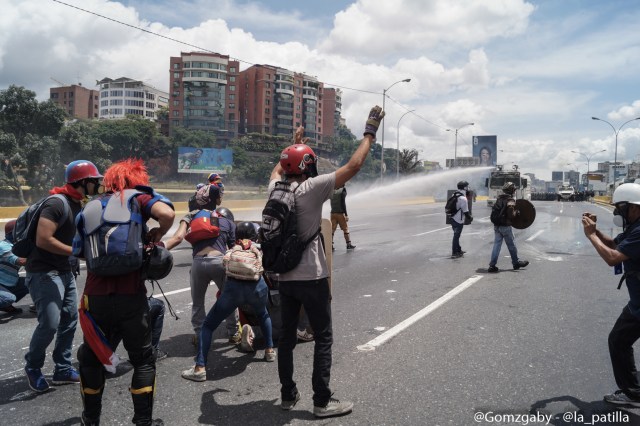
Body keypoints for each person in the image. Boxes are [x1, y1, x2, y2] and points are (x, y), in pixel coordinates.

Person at [272, 106, 385, 418]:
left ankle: (287, 395)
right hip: (312, 277)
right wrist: (370, 131)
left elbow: (277, 170)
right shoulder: (313, 187)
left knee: (286, 338)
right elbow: (355, 165)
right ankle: (321, 402)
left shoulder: (275, 188)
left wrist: (290, 145)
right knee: (323, 338)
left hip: (284, 278)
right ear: (309, 165)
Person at [76, 158, 175, 426]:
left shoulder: (88, 209)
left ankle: (91, 419)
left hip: (95, 296)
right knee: (142, 360)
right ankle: (143, 421)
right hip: (130, 295)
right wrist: (155, 233)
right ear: (136, 179)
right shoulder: (137, 198)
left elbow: (80, 252)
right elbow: (167, 214)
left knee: (91, 358)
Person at [24, 160, 103, 393]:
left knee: (69, 319)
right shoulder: (56, 204)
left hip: (65, 271)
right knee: (49, 322)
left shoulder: (79, 204)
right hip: (43, 271)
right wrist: (75, 252)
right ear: (82, 182)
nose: (97, 184)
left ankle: (62, 368)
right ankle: (33, 367)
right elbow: (43, 239)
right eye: (94, 180)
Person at [181, 221, 276, 382]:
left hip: (233, 292)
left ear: (236, 236)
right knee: (263, 314)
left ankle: (200, 368)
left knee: (208, 326)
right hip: (257, 289)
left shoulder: (231, 250)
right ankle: (269, 350)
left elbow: (224, 267)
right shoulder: (259, 248)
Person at [582, 183, 640, 407]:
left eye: (621, 208)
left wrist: (590, 236)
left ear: (634, 208)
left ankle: (633, 392)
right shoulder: (635, 229)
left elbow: (613, 258)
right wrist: (594, 230)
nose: (618, 213)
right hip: (636, 304)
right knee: (618, 340)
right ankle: (633, 391)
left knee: (619, 341)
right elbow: (615, 244)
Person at [164, 185, 240, 347]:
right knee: (228, 299)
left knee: (197, 303)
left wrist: (157, 249)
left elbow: (178, 238)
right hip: (219, 262)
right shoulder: (226, 220)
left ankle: (200, 335)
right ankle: (233, 332)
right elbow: (232, 248)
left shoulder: (191, 216)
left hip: (198, 264)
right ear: (216, 200)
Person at [487, 182, 529, 273]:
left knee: (496, 245)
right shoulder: (510, 200)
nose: (514, 191)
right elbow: (510, 215)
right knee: (511, 245)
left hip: (497, 226)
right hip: (505, 226)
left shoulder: (499, 199)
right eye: (513, 189)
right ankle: (516, 263)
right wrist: (516, 213)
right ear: (511, 191)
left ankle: (492, 265)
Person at [0, 220, 28, 314]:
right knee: (9, 298)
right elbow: (20, 261)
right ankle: (5, 302)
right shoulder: (4, 246)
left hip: (8, 282)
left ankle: (6, 305)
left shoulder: (17, 246)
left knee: (30, 282)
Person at [450, 181, 473, 259]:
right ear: (464, 187)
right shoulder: (463, 198)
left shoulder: (454, 194)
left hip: (452, 218)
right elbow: (466, 211)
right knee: (456, 236)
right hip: (458, 220)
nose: (468, 188)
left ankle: (458, 250)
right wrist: (470, 218)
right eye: (467, 186)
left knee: (457, 236)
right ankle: (454, 252)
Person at [330, 185, 355, 251]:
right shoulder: (342, 190)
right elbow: (343, 203)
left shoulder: (332, 191)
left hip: (332, 213)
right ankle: (348, 244)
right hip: (340, 214)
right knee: (345, 229)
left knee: (332, 230)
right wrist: (346, 214)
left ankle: (330, 246)